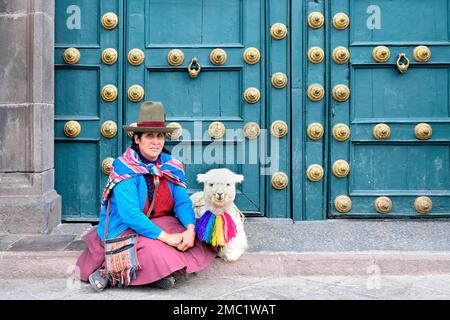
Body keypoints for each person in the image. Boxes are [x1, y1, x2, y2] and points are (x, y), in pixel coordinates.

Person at [75, 101, 217, 291]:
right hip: (125, 227)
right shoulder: (124, 166)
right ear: (137, 139)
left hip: (158, 221)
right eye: (149, 136)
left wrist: (190, 229)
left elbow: (182, 202)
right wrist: (166, 237)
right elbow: (130, 214)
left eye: (160, 136)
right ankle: (108, 270)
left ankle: (157, 273)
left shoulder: (171, 164)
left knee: (201, 234)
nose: (156, 142)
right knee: (156, 251)